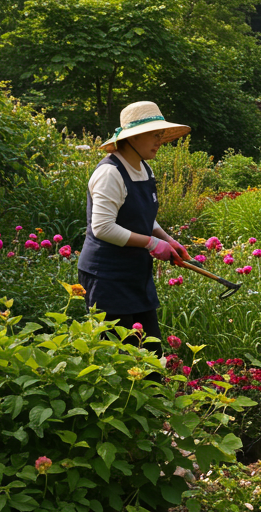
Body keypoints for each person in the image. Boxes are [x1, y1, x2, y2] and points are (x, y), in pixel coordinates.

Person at [78, 101, 192, 349]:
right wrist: (152, 243)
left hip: (134, 273)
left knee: (150, 352)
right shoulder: (110, 173)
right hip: (107, 277)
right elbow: (103, 228)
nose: (159, 141)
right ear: (133, 137)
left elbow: (141, 214)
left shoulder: (144, 167)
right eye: (155, 134)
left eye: (161, 135)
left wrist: (167, 239)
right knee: (117, 355)